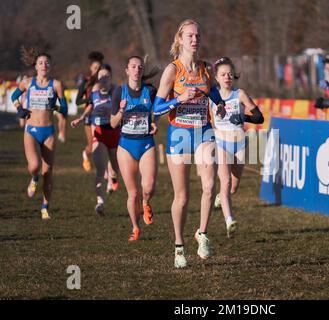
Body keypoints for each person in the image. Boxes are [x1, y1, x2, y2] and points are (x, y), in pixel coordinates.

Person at [153, 19, 226, 268]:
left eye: (197, 36)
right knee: (182, 197)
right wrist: (179, 99)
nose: (195, 40)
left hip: (204, 131)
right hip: (179, 134)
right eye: (190, 36)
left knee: (209, 186)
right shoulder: (172, 71)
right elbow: (156, 108)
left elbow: (213, 93)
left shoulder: (206, 68)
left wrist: (221, 105)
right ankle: (179, 246)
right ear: (180, 40)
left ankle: (202, 234)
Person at [11, 49, 68, 219]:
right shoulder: (28, 82)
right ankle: (34, 178)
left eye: (47, 63)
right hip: (32, 130)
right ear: (36, 66)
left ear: (50, 66)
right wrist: (19, 108)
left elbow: (64, 109)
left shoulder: (56, 84)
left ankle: (45, 207)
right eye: (41, 63)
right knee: (35, 165)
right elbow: (14, 95)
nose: (44, 65)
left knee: (48, 171)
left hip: (49, 131)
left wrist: (55, 107)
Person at [210, 57, 264, 238]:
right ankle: (229, 220)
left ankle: (221, 197)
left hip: (240, 144)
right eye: (223, 74)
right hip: (221, 144)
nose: (227, 77)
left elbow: (260, 118)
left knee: (233, 187)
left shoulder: (240, 94)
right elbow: (208, 120)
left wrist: (244, 118)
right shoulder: (211, 97)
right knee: (224, 183)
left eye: (230, 74)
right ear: (216, 77)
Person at [110, 56, 157, 242]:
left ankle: (146, 203)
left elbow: (160, 109)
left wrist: (155, 123)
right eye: (133, 67)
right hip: (126, 146)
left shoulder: (150, 91)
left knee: (148, 186)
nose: (137, 69)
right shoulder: (119, 92)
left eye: (140, 67)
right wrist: (121, 111)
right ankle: (135, 228)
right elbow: (113, 124)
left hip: (146, 143)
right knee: (133, 193)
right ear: (127, 70)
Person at [71, 64, 120, 215]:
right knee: (100, 170)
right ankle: (100, 203)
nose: (104, 79)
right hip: (99, 132)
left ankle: (113, 177)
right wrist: (81, 118)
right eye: (101, 76)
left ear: (111, 77)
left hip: (115, 132)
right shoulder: (94, 91)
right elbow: (90, 106)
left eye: (106, 76)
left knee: (115, 167)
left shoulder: (118, 91)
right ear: (97, 79)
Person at [75, 51, 104, 173]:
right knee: (93, 144)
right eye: (95, 68)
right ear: (91, 68)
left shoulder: (104, 81)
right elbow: (77, 101)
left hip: (103, 115)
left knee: (104, 143)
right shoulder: (85, 82)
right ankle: (85, 155)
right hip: (89, 116)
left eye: (99, 68)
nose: (97, 70)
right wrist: (91, 99)